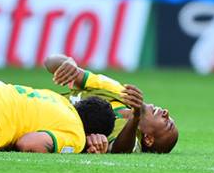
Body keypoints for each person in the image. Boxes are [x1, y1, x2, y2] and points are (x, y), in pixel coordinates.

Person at [46, 54, 179, 153]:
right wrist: (68, 63)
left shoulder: (128, 138)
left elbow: (120, 150)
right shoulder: (118, 90)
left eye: (167, 124)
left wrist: (135, 117)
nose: (166, 112)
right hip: (38, 100)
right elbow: (49, 61)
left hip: (41, 124)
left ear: (149, 139)